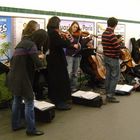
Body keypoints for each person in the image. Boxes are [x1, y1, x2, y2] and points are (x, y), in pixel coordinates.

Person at [7, 29, 48, 136]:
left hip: (13, 76)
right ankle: (31, 129)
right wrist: (41, 57)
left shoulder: (21, 43)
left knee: (17, 100)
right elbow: (39, 64)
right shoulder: (31, 45)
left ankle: (15, 125)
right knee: (29, 102)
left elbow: (13, 60)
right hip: (23, 78)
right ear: (41, 39)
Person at [47, 16, 73, 110]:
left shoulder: (49, 32)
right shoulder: (54, 33)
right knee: (60, 81)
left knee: (54, 80)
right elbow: (65, 44)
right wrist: (66, 38)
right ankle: (59, 102)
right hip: (57, 61)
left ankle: (56, 99)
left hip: (51, 60)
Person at [101, 17, 121, 103]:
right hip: (113, 58)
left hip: (106, 58)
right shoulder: (112, 35)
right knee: (115, 77)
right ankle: (110, 96)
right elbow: (117, 48)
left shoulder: (104, 33)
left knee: (108, 76)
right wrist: (119, 41)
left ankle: (107, 92)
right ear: (115, 25)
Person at [65, 21, 83, 92]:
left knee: (75, 73)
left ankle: (73, 87)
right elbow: (65, 44)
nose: (75, 28)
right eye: (74, 26)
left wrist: (79, 44)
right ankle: (66, 87)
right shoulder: (67, 33)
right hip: (69, 54)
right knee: (68, 72)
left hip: (77, 55)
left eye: (76, 27)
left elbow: (81, 43)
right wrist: (73, 45)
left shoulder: (79, 35)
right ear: (71, 26)